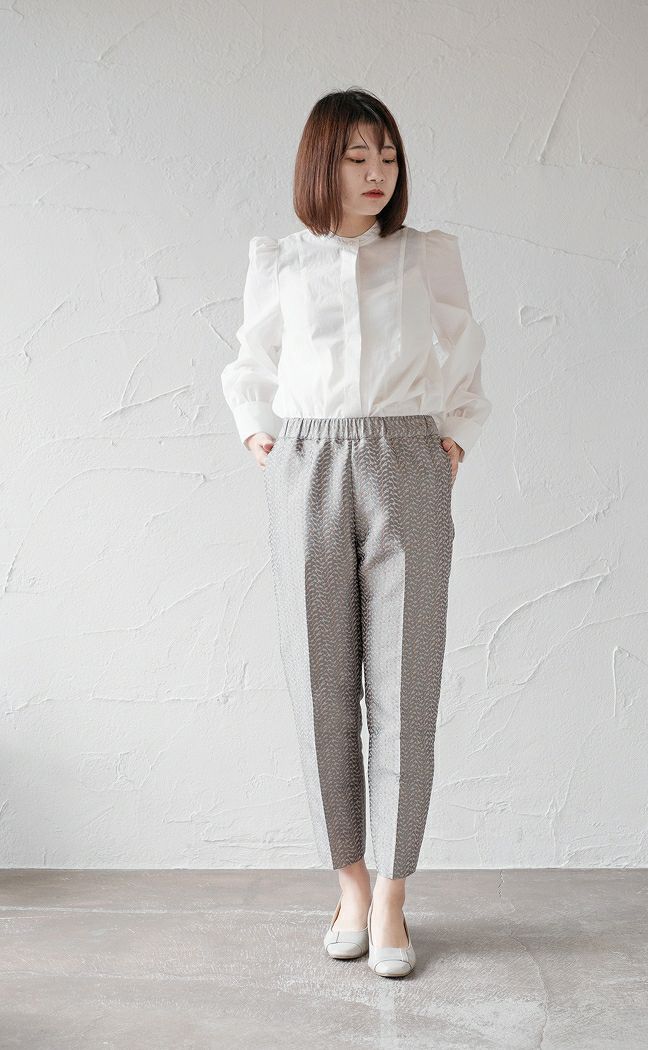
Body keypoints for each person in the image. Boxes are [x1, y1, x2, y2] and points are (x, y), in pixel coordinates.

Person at [221, 87, 492, 978]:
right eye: (356, 156)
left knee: (407, 687)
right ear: (321, 164)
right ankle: (349, 884)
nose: (378, 172)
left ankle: (393, 895)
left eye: (388, 155)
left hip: (407, 455)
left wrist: (455, 436)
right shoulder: (281, 262)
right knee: (321, 683)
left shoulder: (424, 256)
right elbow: (250, 360)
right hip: (306, 462)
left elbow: (466, 349)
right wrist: (259, 435)